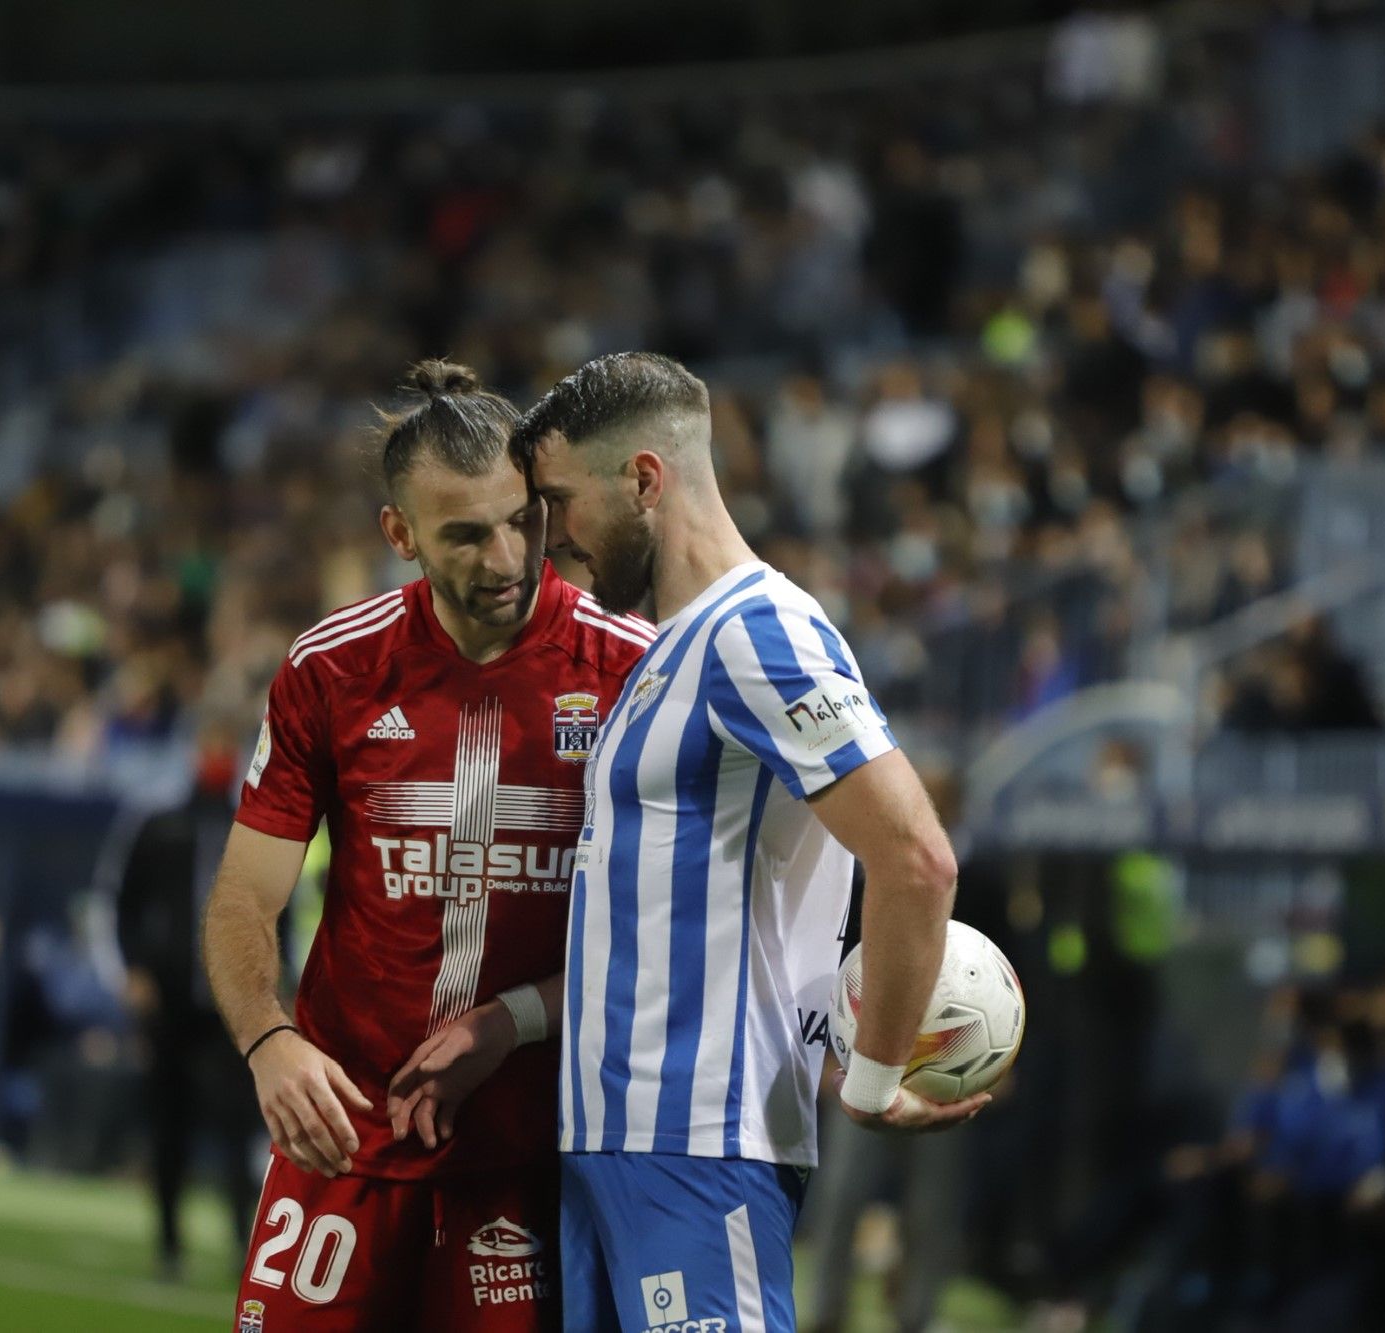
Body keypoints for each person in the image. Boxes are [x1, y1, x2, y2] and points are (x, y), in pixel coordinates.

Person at [509, 351, 984, 1333]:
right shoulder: (666, 651)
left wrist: (876, 1074)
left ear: (644, 479)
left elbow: (913, 856)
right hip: (612, 1147)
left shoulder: (756, 630)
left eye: (559, 500)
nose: (552, 538)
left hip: (698, 1145)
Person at [204, 360, 652, 1331]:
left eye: (518, 520)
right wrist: (267, 1040)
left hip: (528, 1158)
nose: (502, 557)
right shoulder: (332, 668)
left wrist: (515, 1021)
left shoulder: (631, 670)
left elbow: (667, 940)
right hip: (344, 1141)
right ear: (398, 534)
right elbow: (243, 897)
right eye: (462, 533)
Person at [110, 741, 260, 1280]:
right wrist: (134, 969)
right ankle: (169, 1241)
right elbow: (124, 903)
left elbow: (272, 908)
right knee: (167, 1123)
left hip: (229, 1003)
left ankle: (247, 1243)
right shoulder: (162, 826)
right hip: (171, 1001)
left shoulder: (251, 827)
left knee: (237, 1124)